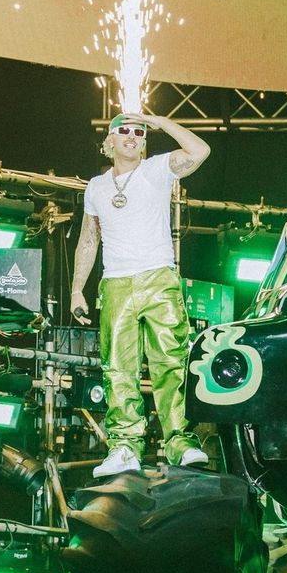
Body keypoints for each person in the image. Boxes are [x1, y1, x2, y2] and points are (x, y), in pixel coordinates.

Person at [71, 112, 211, 477]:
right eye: (124, 130)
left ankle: (179, 442)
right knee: (118, 368)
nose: (132, 135)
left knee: (171, 361)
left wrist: (160, 121)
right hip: (116, 283)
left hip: (158, 277)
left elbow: (200, 150)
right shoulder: (96, 187)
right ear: (110, 140)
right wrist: (76, 290)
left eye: (139, 132)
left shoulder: (157, 168)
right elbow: (89, 239)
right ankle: (124, 447)